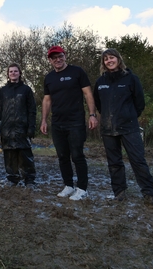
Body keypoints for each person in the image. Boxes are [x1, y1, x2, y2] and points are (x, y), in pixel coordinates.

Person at [93, 48, 153, 209]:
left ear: (118, 59)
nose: (109, 61)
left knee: (138, 161)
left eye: (112, 58)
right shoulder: (100, 82)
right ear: (103, 63)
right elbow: (99, 104)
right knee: (114, 163)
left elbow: (140, 103)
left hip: (129, 127)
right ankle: (119, 193)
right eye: (106, 59)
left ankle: (150, 194)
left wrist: (128, 116)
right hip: (108, 129)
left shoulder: (131, 78)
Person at [40, 45, 98, 200]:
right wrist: (44, 120)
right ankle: (68, 185)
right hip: (57, 122)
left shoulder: (77, 72)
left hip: (75, 122)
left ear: (65, 56)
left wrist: (92, 115)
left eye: (60, 56)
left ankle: (82, 188)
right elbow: (47, 100)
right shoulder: (49, 78)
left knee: (77, 155)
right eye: (54, 58)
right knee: (62, 155)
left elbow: (87, 94)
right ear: (50, 60)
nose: (57, 60)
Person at [0, 63, 37, 188]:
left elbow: (32, 110)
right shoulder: (3, 91)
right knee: (9, 155)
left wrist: (31, 127)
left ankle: (29, 179)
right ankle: (12, 178)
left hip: (22, 127)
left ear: (20, 73)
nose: (13, 73)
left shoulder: (26, 90)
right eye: (11, 71)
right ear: (8, 74)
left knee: (25, 155)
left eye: (15, 71)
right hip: (7, 128)